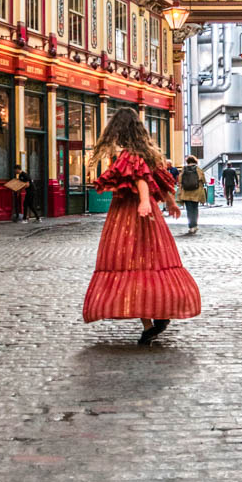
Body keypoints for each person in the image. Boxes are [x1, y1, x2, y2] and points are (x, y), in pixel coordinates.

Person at [83, 108, 201, 345]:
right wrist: (170, 203)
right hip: (150, 219)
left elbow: (140, 179)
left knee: (129, 264)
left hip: (128, 215)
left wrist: (145, 202)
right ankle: (159, 314)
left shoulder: (130, 156)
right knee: (153, 263)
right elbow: (159, 181)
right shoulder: (148, 154)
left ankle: (150, 324)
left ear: (119, 132)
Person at [177, 155, 207, 234]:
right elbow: (203, 180)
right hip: (196, 193)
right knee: (195, 209)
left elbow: (180, 181)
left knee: (189, 210)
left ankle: (191, 226)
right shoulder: (198, 169)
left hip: (186, 193)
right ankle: (195, 225)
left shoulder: (183, 170)